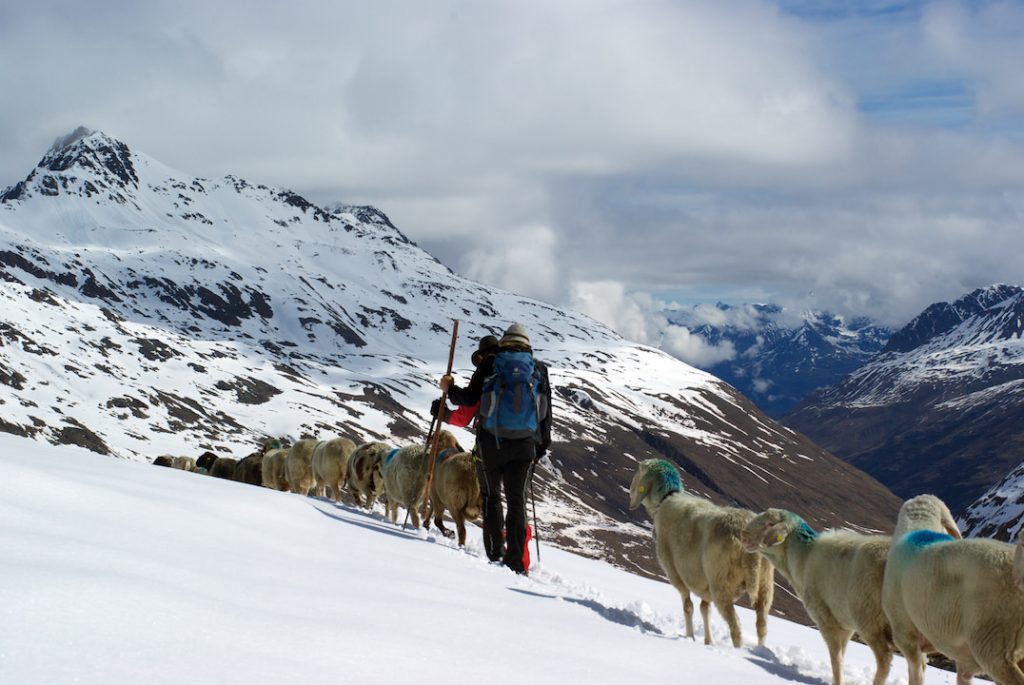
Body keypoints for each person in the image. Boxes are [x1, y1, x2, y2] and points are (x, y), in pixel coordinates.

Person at [440, 323, 552, 573]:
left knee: (492, 499)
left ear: (504, 342)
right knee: (517, 502)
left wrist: (449, 389)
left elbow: (468, 399)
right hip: (524, 447)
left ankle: (494, 554)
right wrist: (539, 449)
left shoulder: (490, 364)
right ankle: (515, 563)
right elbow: (546, 417)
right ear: (527, 345)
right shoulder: (539, 369)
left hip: (491, 444)